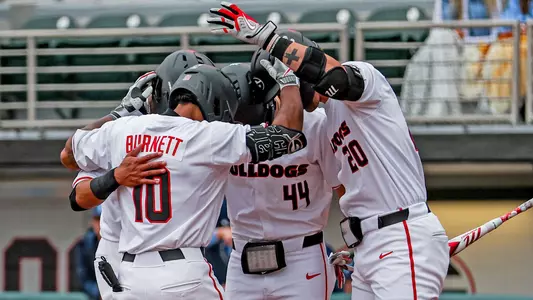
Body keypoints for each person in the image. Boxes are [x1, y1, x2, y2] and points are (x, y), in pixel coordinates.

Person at [207, 3, 449, 299]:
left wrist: (268, 40)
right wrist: (358, 242)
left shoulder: (367, 82)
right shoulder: (326, 117)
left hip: (401, 232)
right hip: (372, 243)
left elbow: (335, 79)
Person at [60, 58, 307, 300]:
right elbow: (289, 137)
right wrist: (288, 82)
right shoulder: (207, 136)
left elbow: (68, 154)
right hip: (183, 273)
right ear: (212, 97)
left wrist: (120, 112)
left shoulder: (122, 129)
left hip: (131, 275)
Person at [67, 50, 214, 300]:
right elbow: (78, 197)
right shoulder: (121, 133)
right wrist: (115, 176)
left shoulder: (201, 135)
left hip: (173, 258)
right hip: (124, 254)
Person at [220, 37, 343, 300]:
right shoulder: (228, 127)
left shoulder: (317, 124)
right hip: (242, 255)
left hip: (302, 254)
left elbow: (343, 188)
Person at [74, 206, 102, 300]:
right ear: (92, 222)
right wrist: (99, 293)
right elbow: (83, 278)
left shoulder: (123, 242)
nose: (101, 224)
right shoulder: (85, 244)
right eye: (98, 219)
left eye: (104, 219)